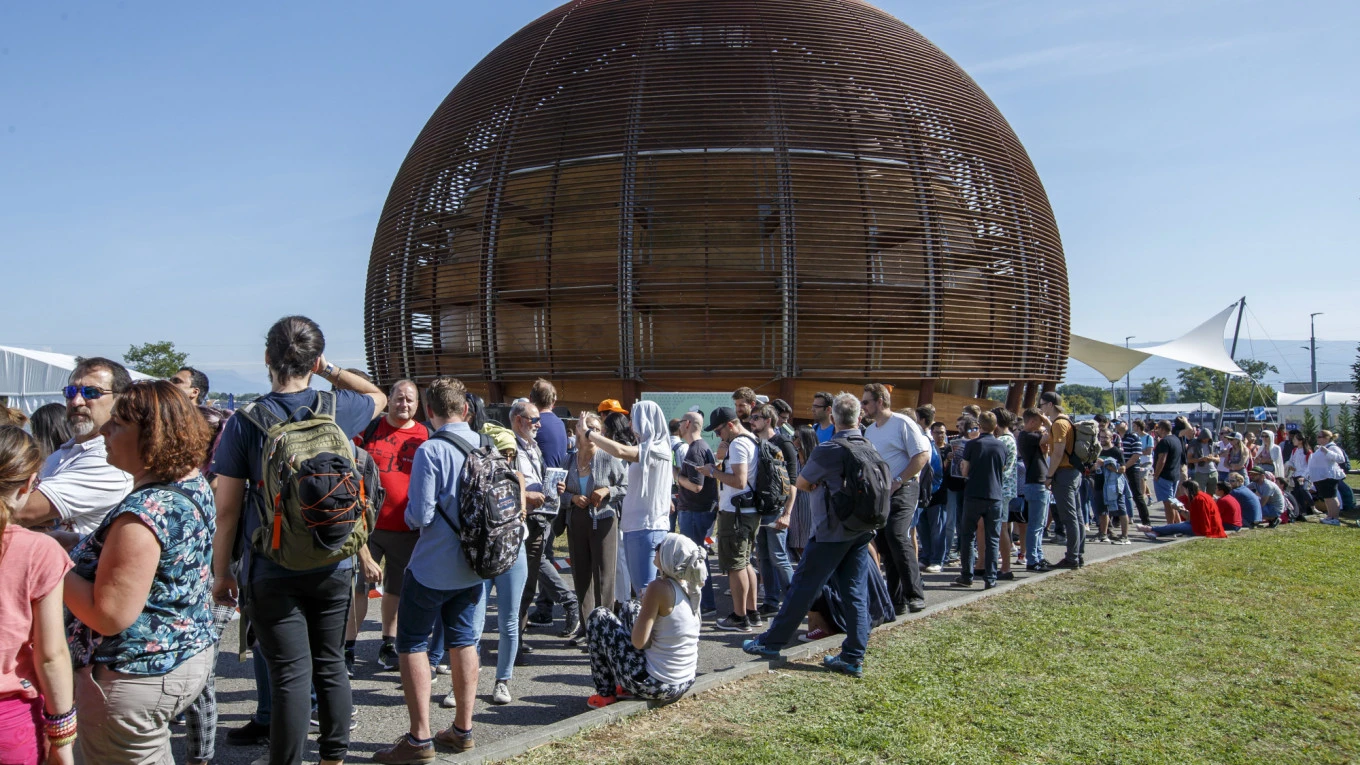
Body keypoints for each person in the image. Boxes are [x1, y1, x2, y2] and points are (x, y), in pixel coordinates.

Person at [211, 317, 386, 765]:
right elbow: (378, 396)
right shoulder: (337, 407)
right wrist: (330, 370)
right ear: (314, 359)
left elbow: (227, 508)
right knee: (330, 664)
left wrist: (221, 573)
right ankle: (333, 757)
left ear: (267, 359)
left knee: (289, 673)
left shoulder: (244, 422)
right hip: (333, 559)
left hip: (272, 564)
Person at [65, 381, 217, 763]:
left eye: (116, 423)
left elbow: (110, 615)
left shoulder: (144, 511)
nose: (104, 431)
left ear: (151, 436)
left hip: (133, 677)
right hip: (180, 657)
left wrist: (49, 564)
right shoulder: (189, 483)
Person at [374, 377, 486, 761]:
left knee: (412, 643)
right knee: (464, 640)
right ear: (466, 410)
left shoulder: (431, 450)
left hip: (433, 565)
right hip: (474, 564)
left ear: (429, 412)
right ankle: (463, 728)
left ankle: (419, 738)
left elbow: (419, 515)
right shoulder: (484, 445)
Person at [741, 393, 879, 678]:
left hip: (831, 530)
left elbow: (802, 482)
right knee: (854, 591)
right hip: (860, 528)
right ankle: (853, 655)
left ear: (833, 417)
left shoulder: (830, 448)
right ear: (859, 418)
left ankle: (771, 642)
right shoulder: (868, 445)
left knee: (802, 586)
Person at [0, 427, 74, 765]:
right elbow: (50, 655)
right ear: (28, 485)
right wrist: (63, 736)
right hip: (10, 721)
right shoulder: (39, 551)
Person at [12, 357, 134, 538]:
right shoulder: (61, 454)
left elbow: (22, 511)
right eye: (70, 392)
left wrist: (32, 514)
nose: (76, 401)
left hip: (72, 565)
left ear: (120, 400)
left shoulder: (110, 460)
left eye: (91, 392)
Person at [358, 380, 431, 674]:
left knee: (396, 590)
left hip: (407, 529)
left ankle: (389, 643)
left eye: (410, 400)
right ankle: (348, 647)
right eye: (399, 398)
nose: (404, 404)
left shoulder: (425, 434)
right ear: (389, 399)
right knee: (358, 588)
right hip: (368, 526)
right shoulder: (371, 429)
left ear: (418, 405)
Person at [584, 533, 703, 709]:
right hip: (685, 680)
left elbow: (640, 643)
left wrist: (647, 606)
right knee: (630, 606)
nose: (656, 549)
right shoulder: (690, 585)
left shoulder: (658, 587)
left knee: (599, 616)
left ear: (669, 556)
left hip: (658, 685)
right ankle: (624, 689)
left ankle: (605, 694)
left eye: (661, 546)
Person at [860, 384, 929, 613]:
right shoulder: (870, 431)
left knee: (897, 535)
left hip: (905, 487)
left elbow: (922, 455)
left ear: (880, 401)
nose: (863, 407)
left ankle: (915, 594)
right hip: (882, 493)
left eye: (866, 402)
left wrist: (899, 480)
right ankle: (896, 600)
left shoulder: (902, 423)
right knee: (885, 543)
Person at [563, 413, 629, 644]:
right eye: (589, 427)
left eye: (598, 429)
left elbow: (625, 486)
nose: (594, 433)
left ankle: (606, 628)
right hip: (577, 520)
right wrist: (571, 497)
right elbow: (558, 492)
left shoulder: (608, 457)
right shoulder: (569, 460)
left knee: (604, 577)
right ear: (578, 431)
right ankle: (586, 627)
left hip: (604, 520)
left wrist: (607, 491)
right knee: (580, 576)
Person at [698, 406, 761, 632]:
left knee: (736, 566)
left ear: (730, 425)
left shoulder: (739, 444)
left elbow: (739, 481)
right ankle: (752, 613)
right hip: (748, 512)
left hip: (736, 514)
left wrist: (712, 472)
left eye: (718, 431)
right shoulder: (752, 439)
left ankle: (739, 617)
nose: (718, 436)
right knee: (745, 563)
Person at [527, 379, 574, 630]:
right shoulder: (560, 425)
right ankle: (544, 607)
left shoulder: (536, 424)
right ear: (554, 402)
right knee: (545, 551)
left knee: (536, 554)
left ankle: (568, 600)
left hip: (538, 495)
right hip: (557, 492)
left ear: (532, 400)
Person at [750, 404, 798, 617]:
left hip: (777, 508)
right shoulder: (754, 442)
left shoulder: (783, 443)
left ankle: (794, 603)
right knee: (763, 557)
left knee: (778, 556)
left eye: (756, 418)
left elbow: (793, 482)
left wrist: (787, 513)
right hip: (759, 507)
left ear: (768, 420)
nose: (751, 421)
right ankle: (770, 601)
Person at [953, 411, 1007, 588]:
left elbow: (965, 471)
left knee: (968, 535)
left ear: (980, 425)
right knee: (993, 537)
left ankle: (967, 575)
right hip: (995, 495)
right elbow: (1004, 468)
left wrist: (962, 468)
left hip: (974, 493)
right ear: (995, 426)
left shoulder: (972, 445)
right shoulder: (1001, 445)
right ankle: (990, 578)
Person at [673, 411, 718, 615]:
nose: (679, 426)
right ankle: (705, 602)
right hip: (700, 511)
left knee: (695, 558)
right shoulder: (702, 447)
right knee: (699, 556)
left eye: (682, 422)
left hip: (694, 511)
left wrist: (676, 475)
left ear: (688, 424)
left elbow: (696, 486)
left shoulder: (695, 450)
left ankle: (705, 603)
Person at [1040, 392, 1084, 569]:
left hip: (1063, 473)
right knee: (1078, 516)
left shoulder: (1059, 424)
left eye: (1042, 404)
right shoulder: (1067, 421)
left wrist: (1049, 476)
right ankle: (1078, 554)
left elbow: (1058, 452)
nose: (1041, 407)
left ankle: (1072, 557)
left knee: (1069, 517)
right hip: (1074, 472)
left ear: (1050, 405)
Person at [1016, 408, 1052, 571]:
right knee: (1035, 525)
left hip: (1038, 483)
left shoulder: (1030, 436)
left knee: (1039, 524)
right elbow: (1053, 436)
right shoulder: (1027, 435)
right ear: (1031, 422)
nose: (1041, 425)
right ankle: (1033, 560)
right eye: (1039, 422)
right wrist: (1049, 422)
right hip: (1035, 484)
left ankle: (1038, 555)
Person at [1137, 480, 1226, 540]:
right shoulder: (1204, 496)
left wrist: (1179, 510)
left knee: (1177, 527)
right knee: (1177, 526)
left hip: (1204, 529)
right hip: (1210, 526)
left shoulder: (1198, 499)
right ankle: (1156, 532)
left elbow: (1190, 518)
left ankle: (1150, 528)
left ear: (1187, 489)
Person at [919, 420, 953, 571]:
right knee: (923, 529)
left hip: (939, 495)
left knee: (938, 529)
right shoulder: (928, 448)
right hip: (923, 495)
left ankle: (937, 560)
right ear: (931, 433)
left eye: (943, 432)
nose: (941, 435)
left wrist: (949, 460)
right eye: (938, 432)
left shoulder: (949, 449)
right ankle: (925, 557)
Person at [786, 425, 819, 560]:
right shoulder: (792, 460)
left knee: (809, 544)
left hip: (811, 506)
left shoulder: (815, 461)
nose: (793, 441)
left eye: (796, 438)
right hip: (794, 508)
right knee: (796, 543)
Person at [1309, 430, 1349, 526]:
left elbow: (1341, 459)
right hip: (1321, 477)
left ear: (1326, 438)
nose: (1317, 439)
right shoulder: (1322, 448)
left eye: (1319, 437)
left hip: (1329, 476)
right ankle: (1330, 516)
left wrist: (1327, 452)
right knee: (1327, 498)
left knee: (1331, 497)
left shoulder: (1333, 447)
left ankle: (1335, 518)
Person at [1151, 420, 1185, 526]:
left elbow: (1162, 459)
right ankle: (1179, 525)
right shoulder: (1176, 439)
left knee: (1168, 503)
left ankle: (1170, 526)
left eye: (1158, 429)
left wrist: (1156, 475)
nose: (1157, 431)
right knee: (1172, 501)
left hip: (1165, 476)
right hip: (1174, 475)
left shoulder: (1164, 441)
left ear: (1162, 429)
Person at [1120, 420, 1153, 526]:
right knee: (1117, 494)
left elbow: (1137, 454)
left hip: (1133, 468)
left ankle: (1146, 521)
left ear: (1126, 425)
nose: (1116, 425)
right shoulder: (1116, 437)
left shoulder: (1134, 437)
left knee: (1137, 495)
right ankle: (1116, 519)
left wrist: (1125, 466)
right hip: (1118, 468)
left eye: (1119, 423)